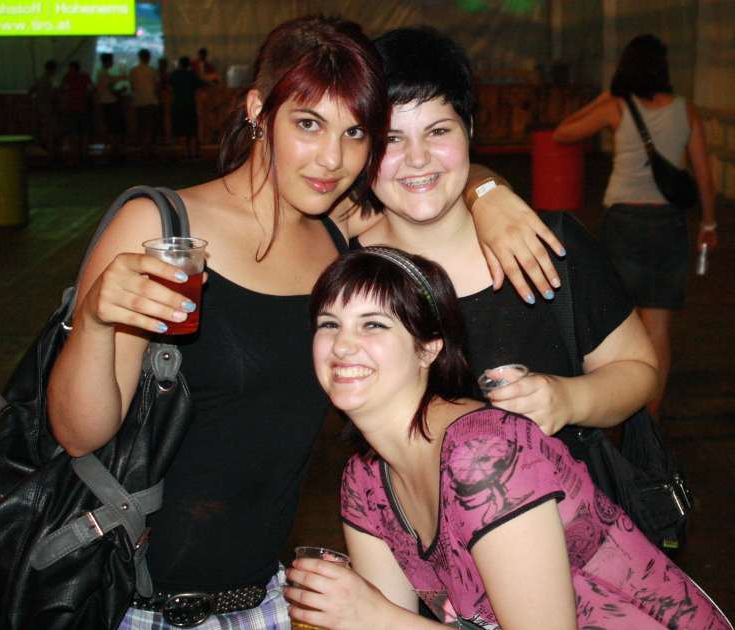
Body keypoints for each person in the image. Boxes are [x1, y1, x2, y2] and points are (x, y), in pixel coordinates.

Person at [46, 16, 579, 630]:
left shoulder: (336, 231)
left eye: (355, 132)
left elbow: (432, 188)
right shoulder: (161, 229)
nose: (332, 158)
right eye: (308, 124)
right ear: (258, 111)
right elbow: (79, 435)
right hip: (139, 607)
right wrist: (94, 322)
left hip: (262, 602)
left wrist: (490, 195)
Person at [285, 246, 732, 629]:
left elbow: (382, 619)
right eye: (329, 324)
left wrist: (376, 616)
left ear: (428, 348)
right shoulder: (365, 482)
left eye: (373, 325)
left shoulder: (483, 455)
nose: (342, 345)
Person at [350, 27, 658, 455]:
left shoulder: (548, 244)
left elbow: (638, 368)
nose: (417, 158)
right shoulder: (344, 267)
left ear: (469, 129)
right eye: (391, 139)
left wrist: (568, 399)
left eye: (438, 131)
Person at [553, 34, 718, 419]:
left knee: (617, 320)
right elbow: (704, 174)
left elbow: (563, 132)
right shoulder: (686, 110)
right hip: (668, 224)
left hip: (623, 224)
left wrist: (601, 99)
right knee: (658, 325)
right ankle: (651, 418)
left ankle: (621, 402)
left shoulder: (616, 107)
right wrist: (709, 223)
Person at [169, 56, 206, 159]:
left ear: (180, 64)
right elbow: (202, 84)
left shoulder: (174, 75)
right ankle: (193, 153)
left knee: (181, 129)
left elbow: (167, 86)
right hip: (190, 105)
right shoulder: (191, 75)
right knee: (192, 130)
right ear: (188, 65)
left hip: (177, 104)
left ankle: (185, 152)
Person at [129, 48, 160, 159]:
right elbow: (157, 87)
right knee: (150, 127)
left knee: (141, 127)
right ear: (149, 58)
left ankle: (143, 150)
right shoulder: (152, 70)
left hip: (138, 102)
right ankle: (148, 150)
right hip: (151, 101)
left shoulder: (133, 71)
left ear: (139, 57)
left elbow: (132, 87)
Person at [60, 60, 93, 165]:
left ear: (72, 68)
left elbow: (63, 91)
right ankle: (84, 156)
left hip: (72, 109)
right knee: (84, 134)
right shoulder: (85, 77)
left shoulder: (67, 77)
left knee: (73, 134)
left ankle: (75, 157)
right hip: (84, 108)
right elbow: (91, 90)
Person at [95, 52, 127, 162]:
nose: (112, 63)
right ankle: (114, 151)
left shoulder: (102, 73)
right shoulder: (104, 74)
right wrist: (121, 91)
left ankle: (112, 150)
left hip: (105, 103)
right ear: (108, 61)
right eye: (111, 60)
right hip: (110, 103)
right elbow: (111, 89)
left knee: (111, 127)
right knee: (115, 128)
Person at [29, 59, 60, 163]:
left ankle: (45, 155)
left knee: (42, 133)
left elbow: (31, 91)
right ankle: (50, 156)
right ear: (53, 69)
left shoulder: (39, 79)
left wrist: (36, 100)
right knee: (50, 133)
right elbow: (54, 96)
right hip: (48, 110)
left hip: (38, 109)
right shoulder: (51, 81)